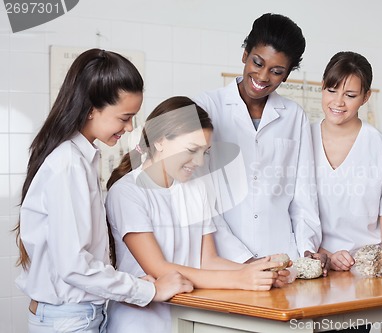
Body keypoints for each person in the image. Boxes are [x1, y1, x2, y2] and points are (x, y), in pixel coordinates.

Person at [14, 48, 193, 333]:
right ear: (90, 109)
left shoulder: (80, 158)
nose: (130, 127)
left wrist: (134, 286)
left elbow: (82, 257)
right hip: (70, 320)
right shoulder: (68, 165)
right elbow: (73, 265)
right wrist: (149, 291)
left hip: (78, 315)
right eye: (124, 117)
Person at [105, 96, 286, 333]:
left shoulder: (195, 189)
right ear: (160, 141)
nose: (199, 161)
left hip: (186, 319)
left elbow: (207, 260)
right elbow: (159, 269)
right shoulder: (127, 192)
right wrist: (241, 279)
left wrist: (260, 272)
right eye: (192, 150)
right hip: (139, 322)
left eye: (205, 152)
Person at [194, 13, 328, 273]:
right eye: (258, 62)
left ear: (286, 75)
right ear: (245, 55)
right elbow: (198, 196)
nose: (263, 76)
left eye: (277, 71)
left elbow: (304, 195)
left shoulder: (294, 116)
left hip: (281, 258)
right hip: (224, 260)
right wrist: (243, 259)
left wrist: (307, 250)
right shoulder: (206, 106)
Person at [313, 51, 382, 274]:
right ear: (322, 86)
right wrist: (326, 256)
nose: (338, 102)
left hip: (367, 273)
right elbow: (288, 220)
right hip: (312, 269)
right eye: (331, 91)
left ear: (366, 97)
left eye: (350, 95)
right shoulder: (300, 141)